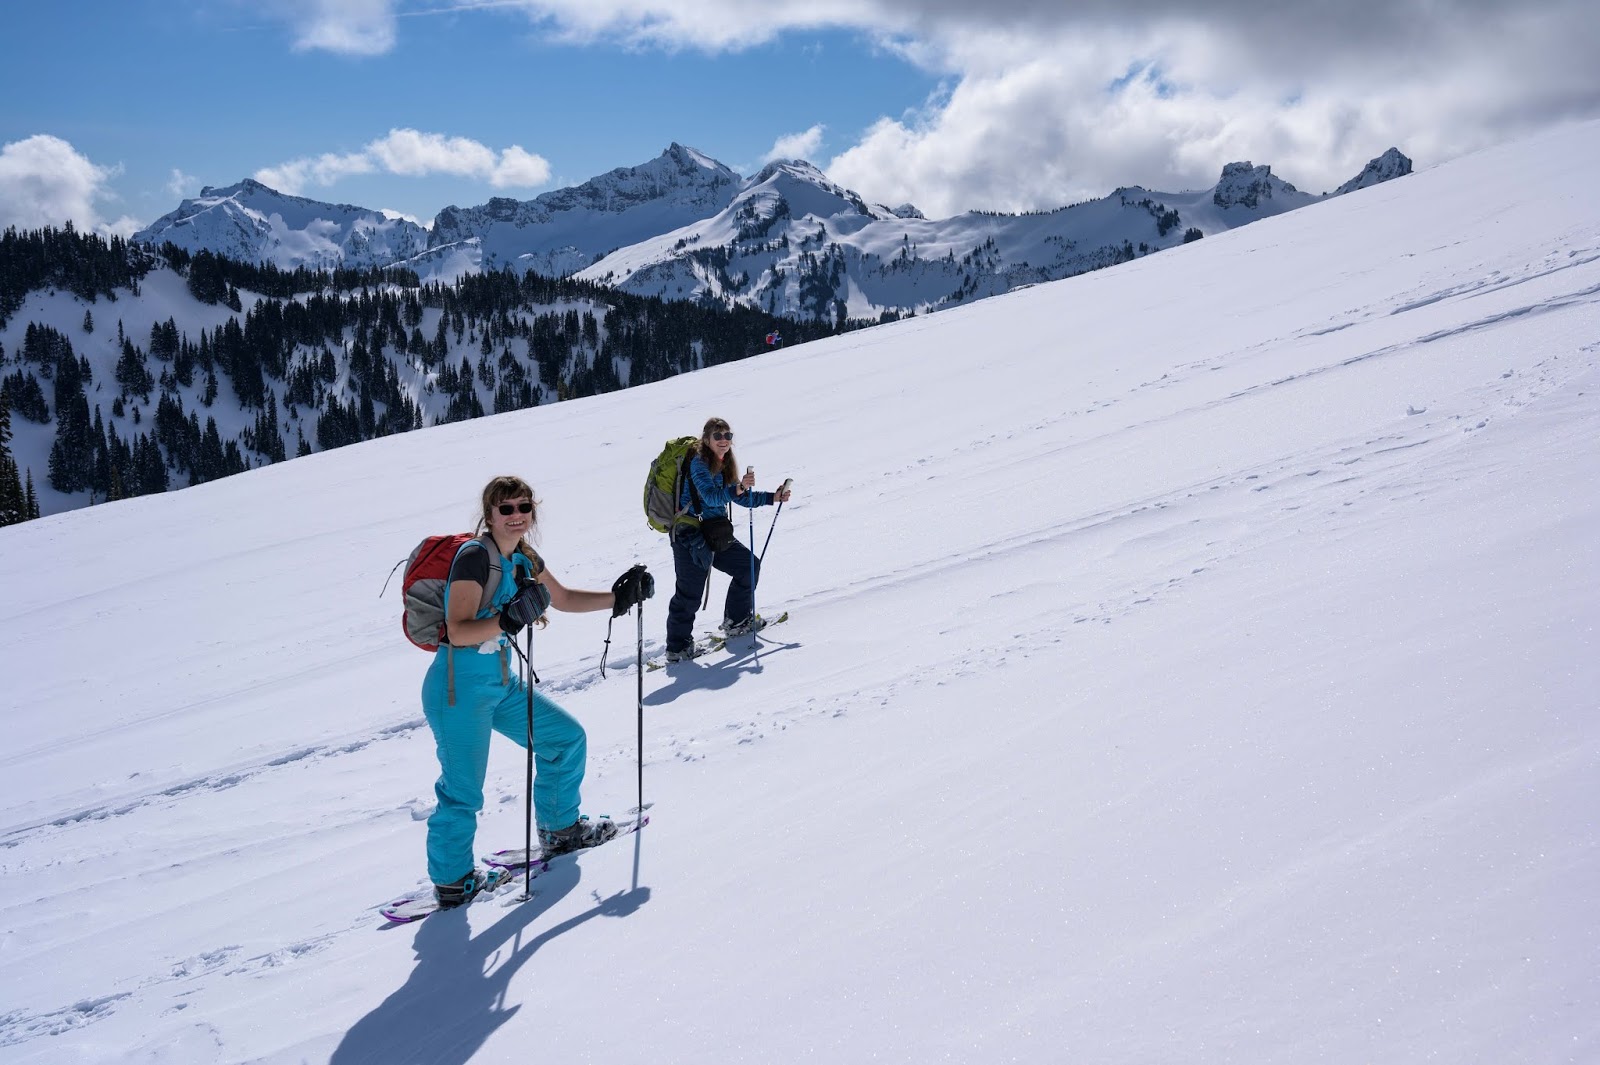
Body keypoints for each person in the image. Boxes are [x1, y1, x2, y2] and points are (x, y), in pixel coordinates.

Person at [422, 475, 653, 908]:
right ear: (488, 514)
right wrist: (508, 621)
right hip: (458, 688)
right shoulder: (474, 557)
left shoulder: (524, 558)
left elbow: (561, 598)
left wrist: (619, 598)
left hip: (501, 681)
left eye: (523, 507)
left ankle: (560, 831)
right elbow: (457, 629)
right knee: (462, 790)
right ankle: (453, 881)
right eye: (505, 509)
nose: (516, 516)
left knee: (565, 740)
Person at [664, 417, 792, 662]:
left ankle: (737, 620)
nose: (724, 441)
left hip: (714, 531)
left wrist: (772, 497)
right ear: (707, 439)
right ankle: (677, 648)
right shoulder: (698, 464)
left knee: (749, 566)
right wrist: (737, 489)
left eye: (728, 436)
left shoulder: (724, 464)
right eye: (718, 436)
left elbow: (740, 498)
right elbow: (711, 497)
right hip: (689, 534)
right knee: (689, 593)